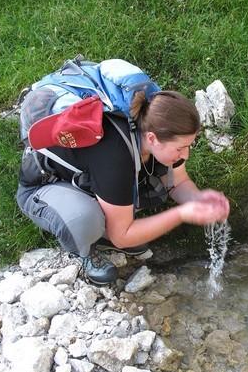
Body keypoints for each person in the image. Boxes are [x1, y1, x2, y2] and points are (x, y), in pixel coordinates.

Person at [16, 90, 230, 285]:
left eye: (189, 145)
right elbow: (123, 235)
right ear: (152, 139)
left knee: (126, 208)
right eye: (181, 148)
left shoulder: (153, 126)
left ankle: (107, 226)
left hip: (92, 177)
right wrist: (182, 213)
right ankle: (86, 250)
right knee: (84, 220)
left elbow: (178, 183)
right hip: (43, 187)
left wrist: (199, 200)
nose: (186, 155)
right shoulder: (116, 155)